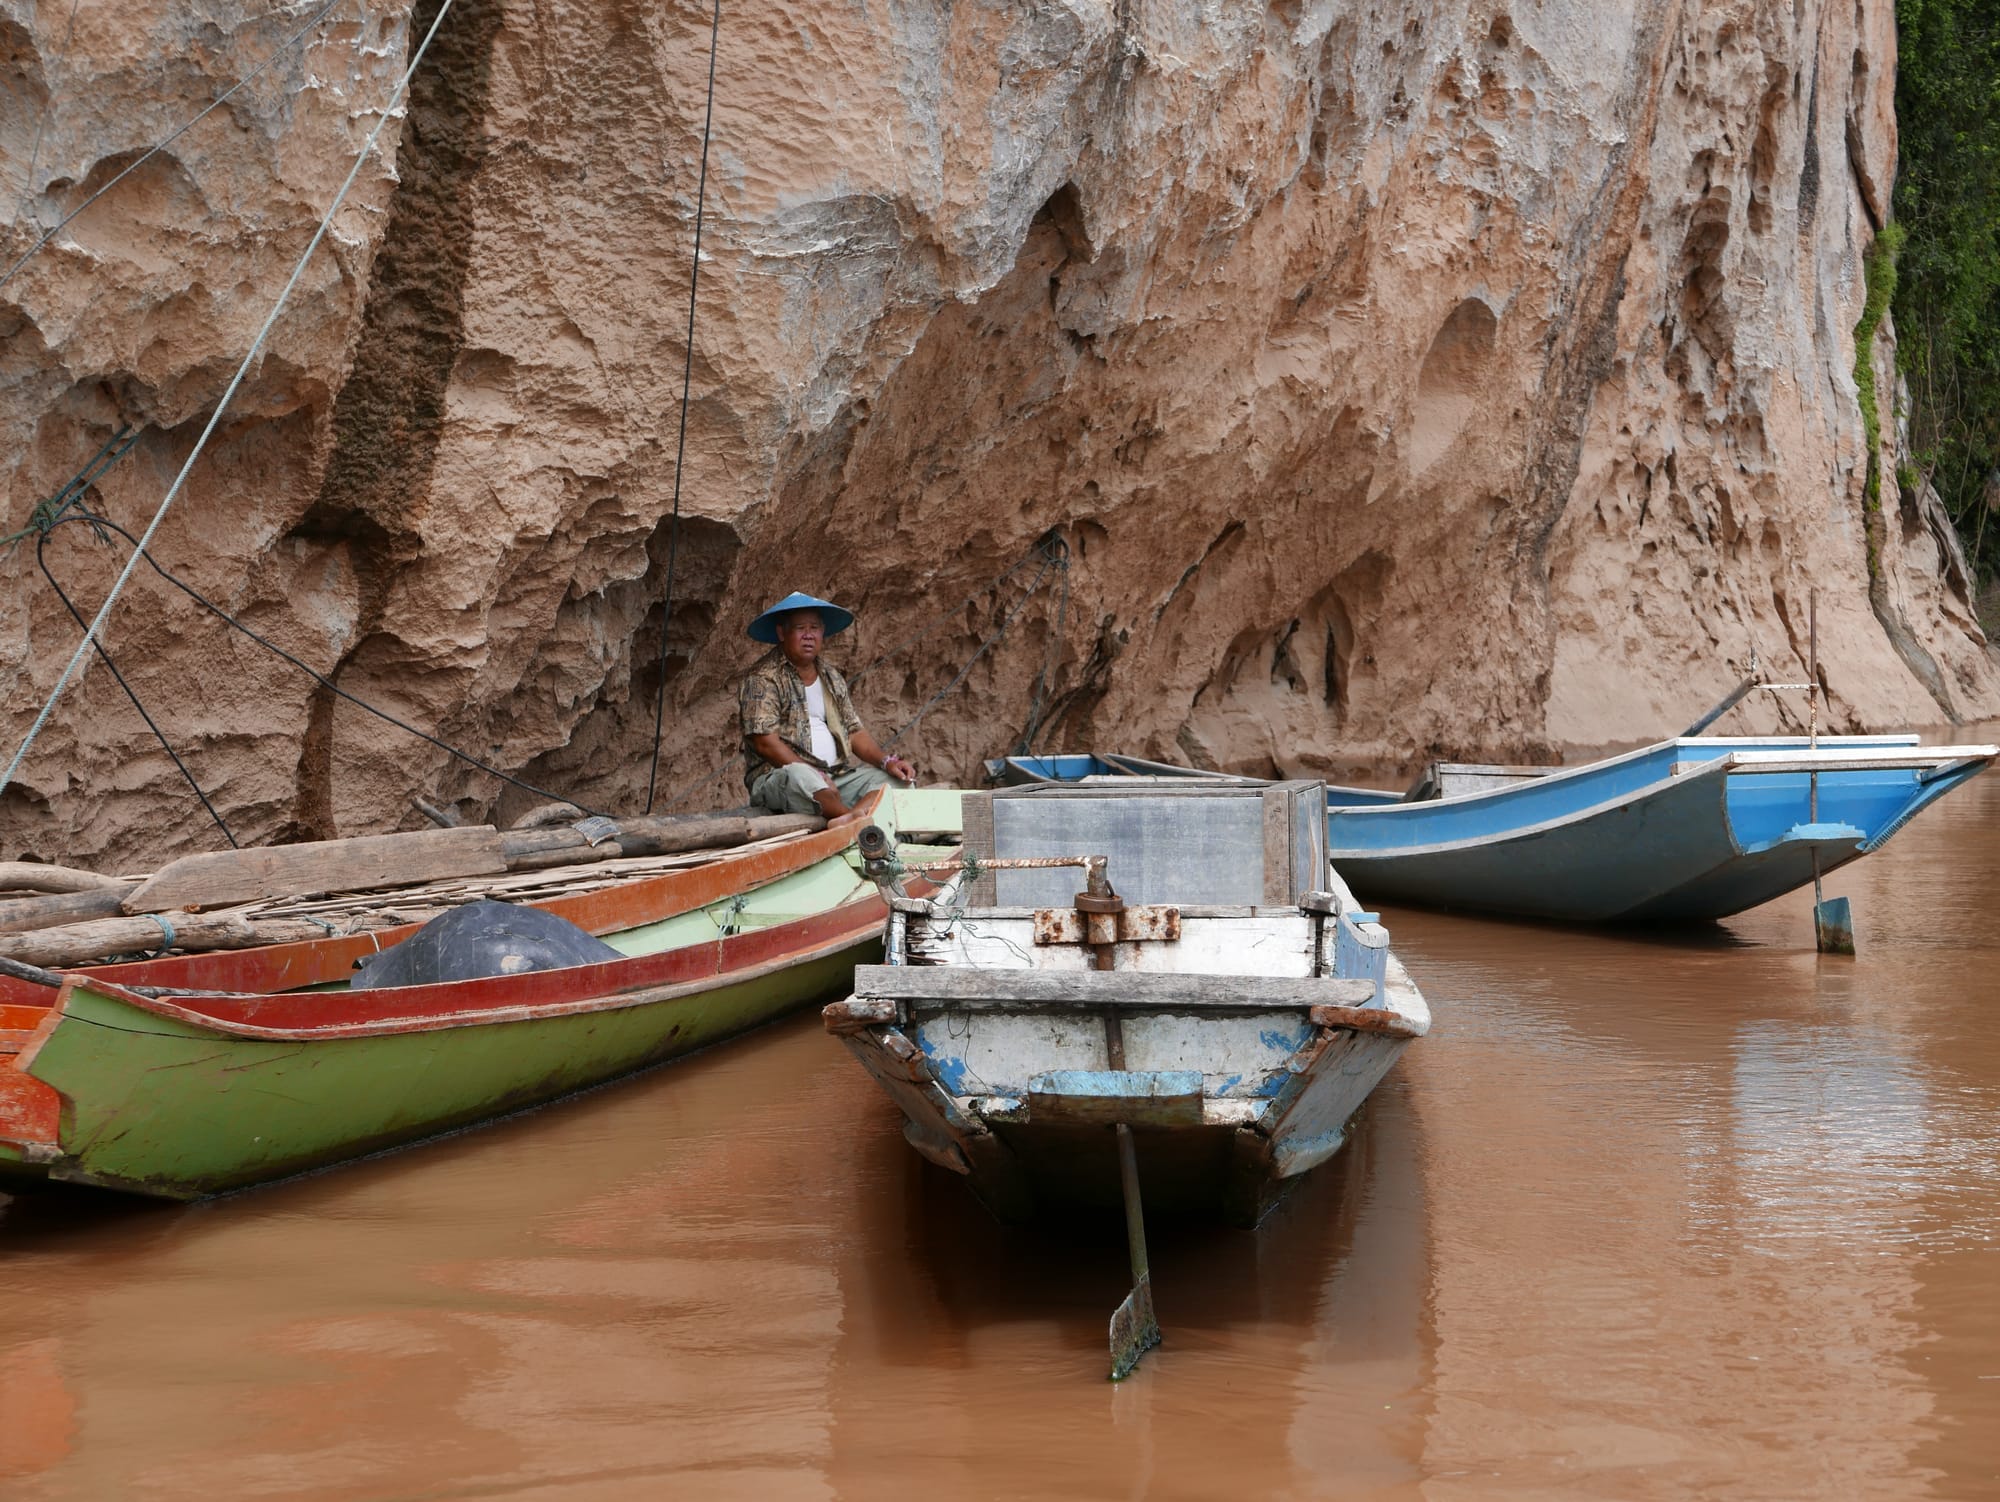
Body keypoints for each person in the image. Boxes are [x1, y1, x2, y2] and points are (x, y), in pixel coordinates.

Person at [738, 591, 916, 819]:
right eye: (800, 628)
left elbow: (854, 731)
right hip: (783, 779)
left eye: (814, 628)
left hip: (835, 778)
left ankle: (850, 819)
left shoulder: (831, 677)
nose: (809, 635)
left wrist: (888, 761)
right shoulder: (763, 678)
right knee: (800, 776)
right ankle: (852, 820)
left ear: (823, 632)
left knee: (898, 783)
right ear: (782, 633)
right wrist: (816, 775)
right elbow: (765, 744)